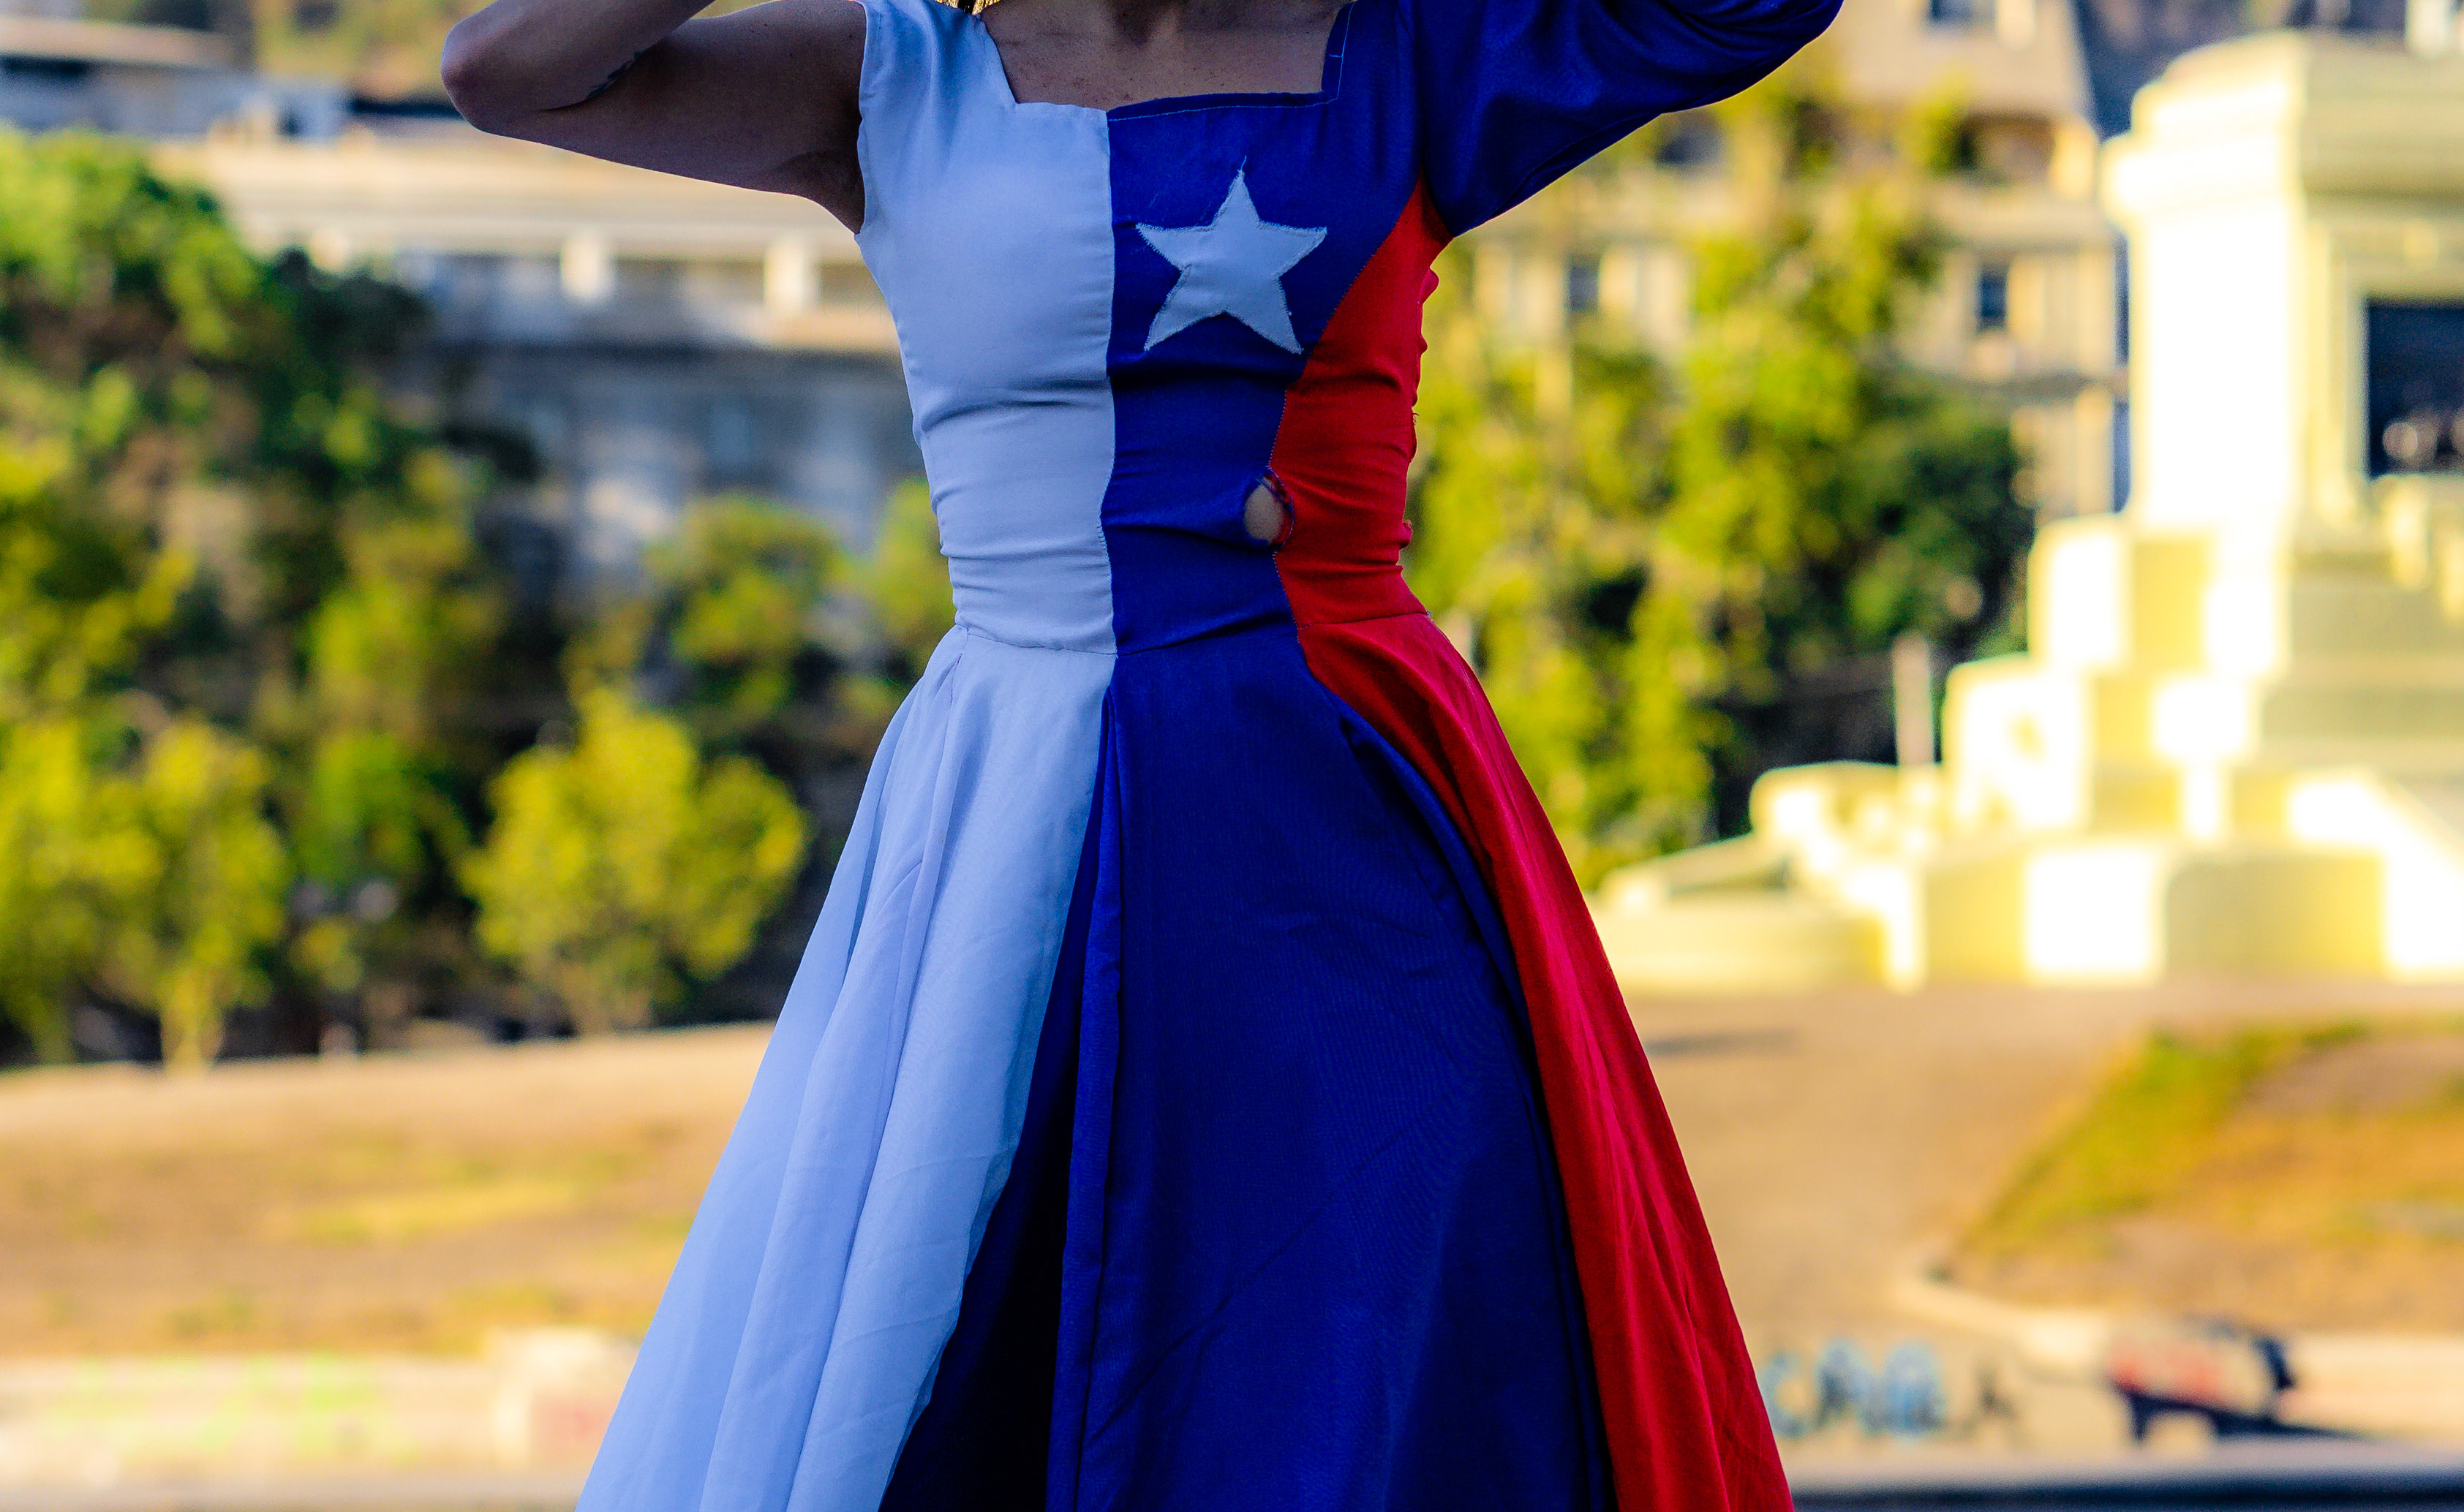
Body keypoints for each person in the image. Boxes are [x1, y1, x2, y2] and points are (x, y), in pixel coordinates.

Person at [440, 0, 1832, 1496]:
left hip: (1350, 820)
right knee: (961, 1334)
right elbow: (504, 71)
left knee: (1407, 1316)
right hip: (1010, 828)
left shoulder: (1398, 51)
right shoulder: (891, 74)